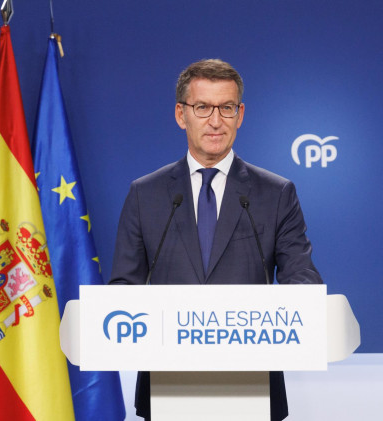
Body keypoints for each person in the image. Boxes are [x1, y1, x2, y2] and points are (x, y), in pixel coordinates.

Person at [109, 59, 323, 421]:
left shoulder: (276, 193)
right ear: (181, 115)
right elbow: (123, 288)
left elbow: (301, 274)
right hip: (167, 384)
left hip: (253, 383)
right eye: (202, 107)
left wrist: (302, 303)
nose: (215, 120)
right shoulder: (146, 194)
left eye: (226, 108)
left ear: (240, 115)